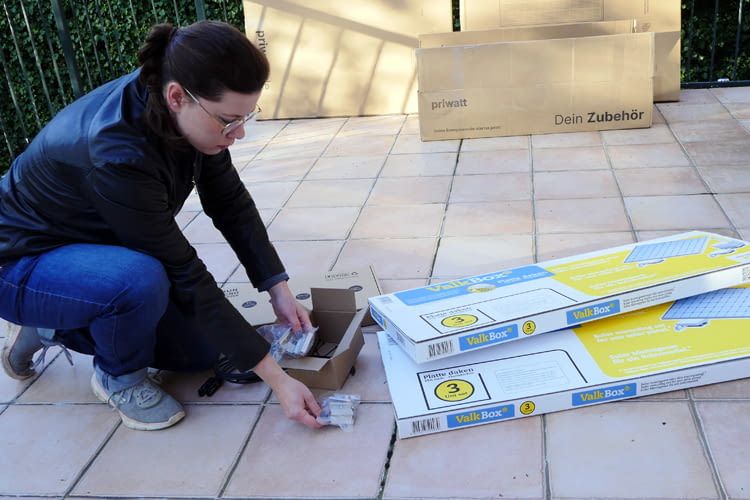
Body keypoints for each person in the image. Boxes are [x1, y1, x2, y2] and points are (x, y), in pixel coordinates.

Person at [0, 20, 323, 431]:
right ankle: (114, 374)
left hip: (92, 246)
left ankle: (58, 317)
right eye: (229, 120)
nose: (238, 133)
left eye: (246, 117)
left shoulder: (183, 105)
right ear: (177, 98)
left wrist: (277, 288)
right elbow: (182, 270)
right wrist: (279, 381)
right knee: (139, 280)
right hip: (20, 261)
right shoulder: (116, 153)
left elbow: (231, 204)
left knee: (202, 352)